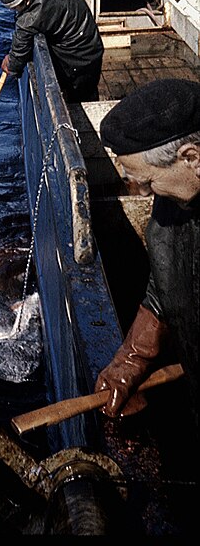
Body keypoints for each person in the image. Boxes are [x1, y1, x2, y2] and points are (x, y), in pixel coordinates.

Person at [95, 78, 200, 433]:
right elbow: (164, 285)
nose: (140, 194)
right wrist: (132, 359)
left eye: (148, 182)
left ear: (191, 158)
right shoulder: (173, 207)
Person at [0, 0, 104, 102]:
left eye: (16, 8)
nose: (17, 12)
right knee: (90, 89)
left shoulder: (29, 20)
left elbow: (17, 59)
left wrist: (10, 63)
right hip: (93, 42)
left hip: (77, 59)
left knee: (80, 98)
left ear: (26, 1)